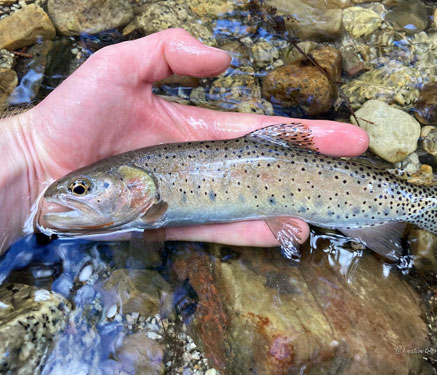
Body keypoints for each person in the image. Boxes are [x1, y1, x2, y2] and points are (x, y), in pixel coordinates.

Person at [0, 28, 369, 255]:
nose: (68, 194)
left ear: (134, 184)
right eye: (79, 189)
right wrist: (27, 150)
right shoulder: (142, 201)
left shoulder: (145, 197)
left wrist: (27, 148)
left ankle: (417, 205)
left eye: (80, 188)